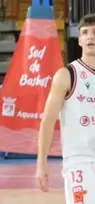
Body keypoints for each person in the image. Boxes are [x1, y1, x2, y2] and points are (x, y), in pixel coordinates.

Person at [36, 12, 95, 196]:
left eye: (94, 32)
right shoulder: (66, 75)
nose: (90, 36)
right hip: (80, 161)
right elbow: (47, 121)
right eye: (85, 32)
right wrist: (41, 164)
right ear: (79, 40)